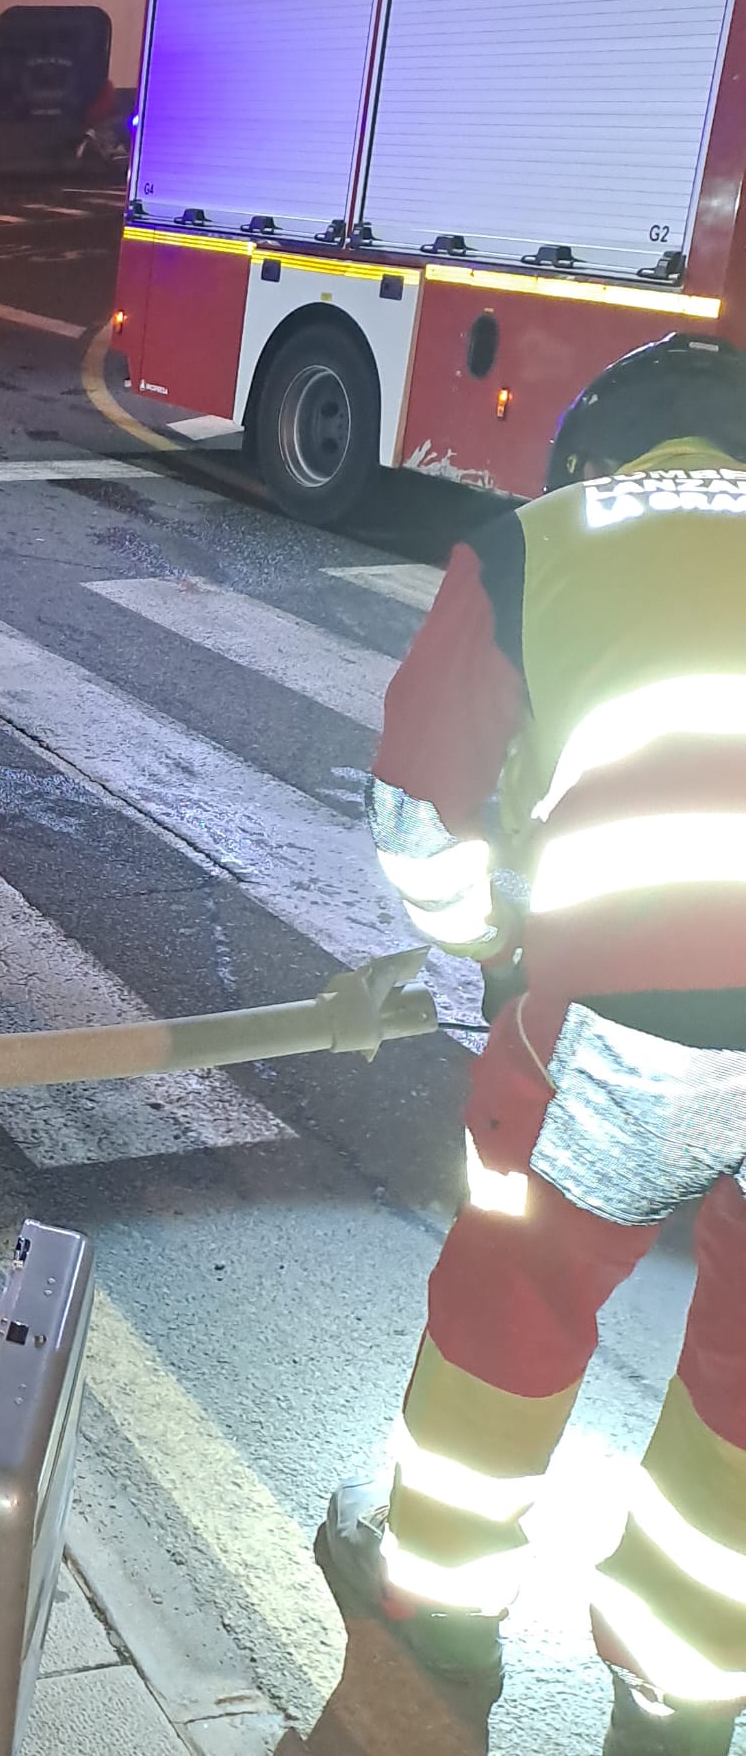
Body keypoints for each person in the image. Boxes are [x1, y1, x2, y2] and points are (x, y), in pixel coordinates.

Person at [317, 334, 746, 1755]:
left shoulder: (530, 547)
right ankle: (681, 1696)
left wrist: (490, 942)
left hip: (625, 1032)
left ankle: (437, 1613)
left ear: (599, 455)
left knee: (520, 1293)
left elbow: (419, 823)